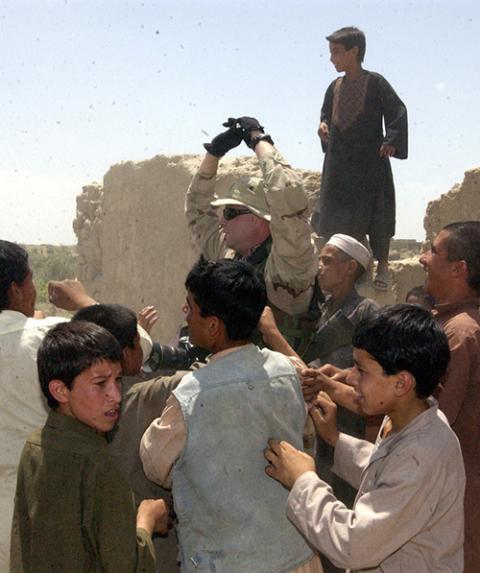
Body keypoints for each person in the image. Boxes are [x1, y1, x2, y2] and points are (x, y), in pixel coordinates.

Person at [140, 259, 322, 573]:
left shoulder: (192, 393)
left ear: (213, 326)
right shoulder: (286, 371)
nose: (187, 315)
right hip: (295, 556)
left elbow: (156, 464)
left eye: (191, 308)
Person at [265, 304, 464, 572]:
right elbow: (386, 471)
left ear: (401, 383)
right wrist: (336, 440)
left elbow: (354, 546)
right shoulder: (407, 417)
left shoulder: (421, 454)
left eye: (361, 370)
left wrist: (303, 480)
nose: (352, 378)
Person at [10, 321, 169, 572]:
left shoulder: (34, 447)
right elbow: (128, 566)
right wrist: (146, 520)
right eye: (100, 384)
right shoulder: (97, 462)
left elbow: (23, 547)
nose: (116, 396)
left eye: (118, 380)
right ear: (61, 390)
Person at [0, 241, 97, 570]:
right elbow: (135, 344)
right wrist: (82, 303)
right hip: (42, 508)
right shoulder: (46, 336)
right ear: (16, 288)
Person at [185, 116, 318, 350]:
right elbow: (197, 210)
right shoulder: (230, 252)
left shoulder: (289, 264)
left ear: (258, 221)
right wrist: (214, 153)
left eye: (231, 213)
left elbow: (287, 194)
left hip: (274, 377)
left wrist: (259, 139)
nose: (222, 220)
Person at [72, 303, 184, 573]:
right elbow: (210, 377)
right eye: (138, 344)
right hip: (153, 552)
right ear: (124, 354)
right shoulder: (152, 394)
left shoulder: (71, 400)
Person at [311, 27, 408, 290]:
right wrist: (322, 126)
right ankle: (350, 272)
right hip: (339, 164)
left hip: (369, 162)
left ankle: (383, 267)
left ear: (354, 52)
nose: (332, 59)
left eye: (336, 53)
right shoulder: (334, 87)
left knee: (377, 213)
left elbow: (397, 111)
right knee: (339, 218)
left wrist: (391, 142)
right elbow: (325, 114)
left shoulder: (376, 82)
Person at [419, 221, 480, 573]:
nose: (424, 258)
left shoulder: (459, 334)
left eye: (433, 251)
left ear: (458, 269)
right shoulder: (457, 326)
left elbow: (432, 421)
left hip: (455, 507)